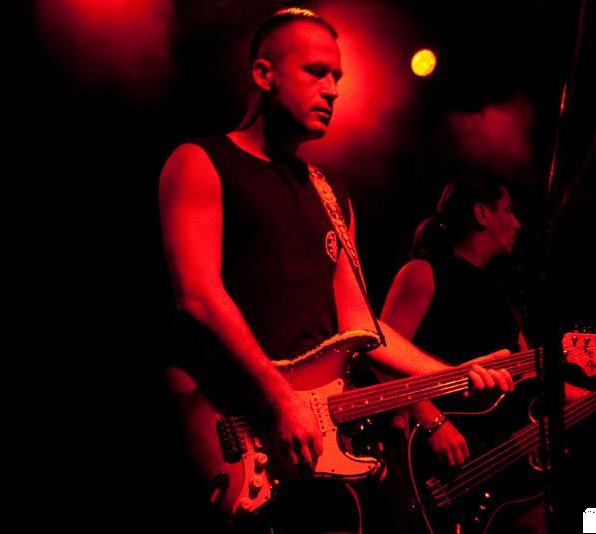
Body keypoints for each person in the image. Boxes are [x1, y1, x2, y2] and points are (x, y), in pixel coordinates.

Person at [158, 8, 513, 533]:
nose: (333, 90)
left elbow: (361, 327)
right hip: (231, 433)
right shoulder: (201, 161)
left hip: (312, 452)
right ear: (264, 74)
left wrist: (451, 374)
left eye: (338, 77)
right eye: (317, 72)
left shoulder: (332, 193)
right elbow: (198, 295)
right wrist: (279, 400)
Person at [380, 173, 596, 533]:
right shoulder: (423, 272)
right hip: (434, 458)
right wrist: (434, 422)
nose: (518, 223)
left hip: (501, 463)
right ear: (481, 213)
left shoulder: (497, 289)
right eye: (508, 210)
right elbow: (381, 358)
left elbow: (534, 378)